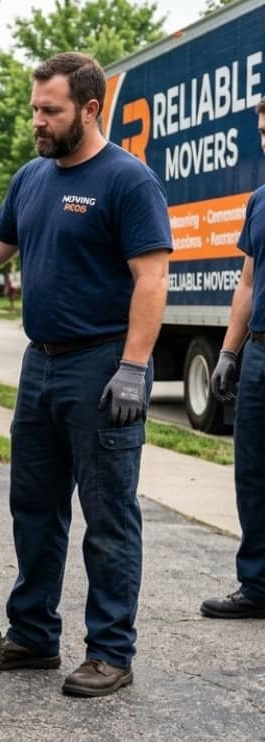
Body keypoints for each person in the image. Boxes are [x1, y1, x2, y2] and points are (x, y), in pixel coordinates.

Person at [0, 52, 172, 696]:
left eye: (50, 110)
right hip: (42, 365)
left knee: (108, 513)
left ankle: (111, 651)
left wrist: (134, 368)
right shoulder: (32, 178)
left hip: (101, 366)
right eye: (34, 108)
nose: (37, 120)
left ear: (90, 108)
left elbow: (152, 277)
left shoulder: (127, 181)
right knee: (33, 505)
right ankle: (33, 634)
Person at [199, 98, 265, 620]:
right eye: (263, 131)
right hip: (260, 352)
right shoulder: (258, 201)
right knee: (252, 472)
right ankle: (258, 585)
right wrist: (228, 351)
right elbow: (246, 283)